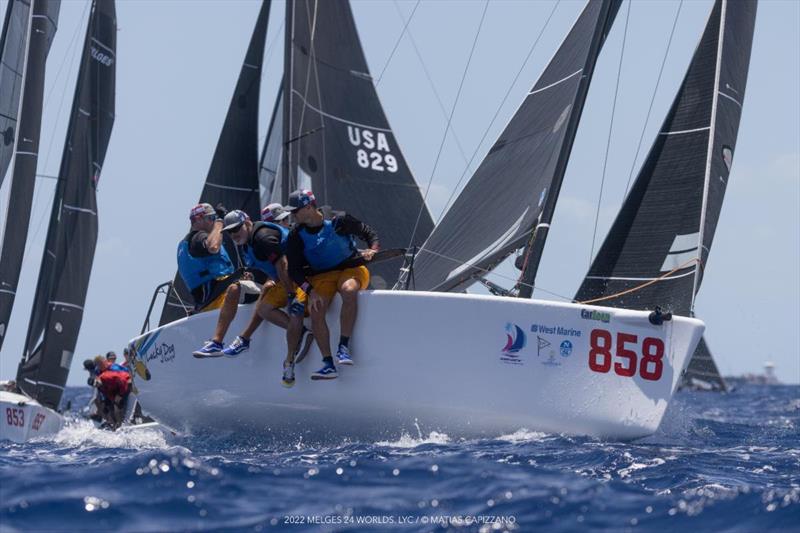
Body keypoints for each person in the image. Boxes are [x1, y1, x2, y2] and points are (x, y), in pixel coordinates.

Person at [284, 189, 379, 381]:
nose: (292, 215)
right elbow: (294, 270)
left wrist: (372, 249)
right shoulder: (296, 235)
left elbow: (369, 233)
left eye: (295, 211)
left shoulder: (339, 220)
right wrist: (310, 292)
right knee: (317, 310)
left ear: (309, 207)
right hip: (322, 276)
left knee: (349, 290)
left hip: (351, 268)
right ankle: (328, 364)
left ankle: (343, 347)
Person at [219, 208, 314, 375]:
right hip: (288, 278)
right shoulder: (247, 244)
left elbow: (282, 264)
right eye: (229, 232)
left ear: (247, 223)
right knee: (263, 308)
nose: (233, 234)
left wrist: (290, 294)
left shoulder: (263, 237)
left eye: (236, 229)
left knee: (292, 307)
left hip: (304, 276)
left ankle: (290, 356)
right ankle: (302, 334)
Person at [178, 203, 255, 357]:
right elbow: (213, 247)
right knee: (270, 290)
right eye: (211, 218)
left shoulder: (188, 242)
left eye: (214, 218)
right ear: (198, 220)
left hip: (211, 300)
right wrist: (220, 222)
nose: (214, 221)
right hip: (219, 297)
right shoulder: (197, 238)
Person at [91, 357, 132, 429]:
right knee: (108, 407)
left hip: (127, 384)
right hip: (116, 388)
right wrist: (112, 400)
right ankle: (113, 424)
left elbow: (123, 381)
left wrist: (120, 396)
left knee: (117, 408)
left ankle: (121, 425)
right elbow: (107, 393)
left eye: (101, 364)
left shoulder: (107, 375)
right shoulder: (99, 383)